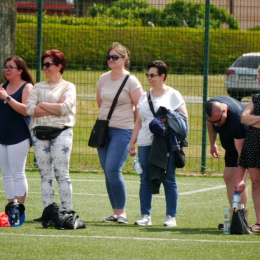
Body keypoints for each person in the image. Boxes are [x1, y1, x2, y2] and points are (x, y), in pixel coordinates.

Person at [129, 60, 188, 227]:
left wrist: (164, 121)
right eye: (147, 75)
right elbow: (139, 122)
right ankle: (145, 215)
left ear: (162, 76)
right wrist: (132, 142)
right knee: (145, 178)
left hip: (165, 143)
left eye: (152, 75)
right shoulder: (144, 96)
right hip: (145, 142)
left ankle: (171, 216)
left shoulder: (173, 95)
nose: (149, 78)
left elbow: (184, 120)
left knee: (168, 178)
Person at [26, 49, 76, 221]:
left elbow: (65, 108)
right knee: (45, 175)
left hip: (61, 132)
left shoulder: (69, 87)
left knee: (62, 173)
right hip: (39, 133)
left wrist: (42, 104)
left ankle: (68, 213)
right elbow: (30, 109)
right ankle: (48, 212)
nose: (45, 68)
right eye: (44, 64)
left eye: (48, 64)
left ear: (59, 66)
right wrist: (53, 105)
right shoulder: (38, 86)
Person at [96, 42, 143, 224]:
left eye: (115, 57)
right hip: (103, 130)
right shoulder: (103, 79)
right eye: (109, 57)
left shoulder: (131, 81)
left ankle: (122, 212)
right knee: (107, 171)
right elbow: (101, 103)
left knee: (112, 169)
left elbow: (139, 109)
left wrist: (134, 135)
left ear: (124, 59)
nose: (111, 60)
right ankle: (115, 213)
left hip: (123, 130)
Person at [205, 96, 249, 212]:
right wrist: (213, 143)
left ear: (224, 111)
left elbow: (242, 154)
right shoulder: (211, 106)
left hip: (247, 147)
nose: (215, 125)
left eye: (218, 121)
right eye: (212, 121)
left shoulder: (237, 120)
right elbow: (209, 123)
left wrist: (240, 178)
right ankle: (234, 213)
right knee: (228, 178)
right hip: (231, 145)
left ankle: (241, 216)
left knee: (239, 181)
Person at [0, 56, 34, 205]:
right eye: (5, 67)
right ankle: (10, 207)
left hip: (19, 136)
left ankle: (19, 208)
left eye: (10, 67)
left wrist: (6, 97)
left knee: (17, 173)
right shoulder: (2, 86)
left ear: (20, 70)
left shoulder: (27, 87)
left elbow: (26, 110)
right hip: (2, 136)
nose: (6, 70)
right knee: (6, 175)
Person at [236, 66, 260, 233]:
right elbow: (244, 118)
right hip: (254, 144)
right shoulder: (256, 98)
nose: (258, 78)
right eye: (259, 75)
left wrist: (254, 121)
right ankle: (259, 222)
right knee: (256, 184)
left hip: (254, 139)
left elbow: (249, 119)